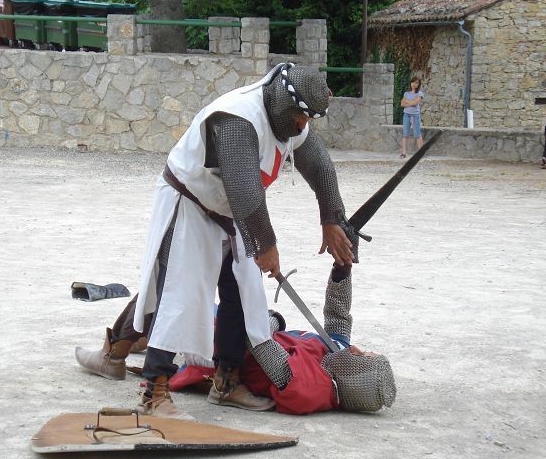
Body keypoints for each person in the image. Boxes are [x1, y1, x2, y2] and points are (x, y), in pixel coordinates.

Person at [76, 62, 357, 419]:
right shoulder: (238, 118)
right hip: (190, 202)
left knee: (244, 293)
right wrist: (266, 246)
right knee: (180, 293)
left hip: (231, 211)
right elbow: (245, 192)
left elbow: (320, 167)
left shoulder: (291, 119)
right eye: (301, 117)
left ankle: (225, 382)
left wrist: (331, 219)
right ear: (284, 103)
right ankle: (152, 391)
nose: (303, 125)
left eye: (308, 120)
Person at [169, 260, 396, 415]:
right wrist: (343, 265)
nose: (358, 349)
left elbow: (258, 342)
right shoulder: (337, 355)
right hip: (234, 326)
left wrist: (274, 320)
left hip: (219, 350)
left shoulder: (308, 386)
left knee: (175, 297)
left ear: (355, 368)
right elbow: (339, 316)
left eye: (364, 355)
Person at [400, 77, 424, 158]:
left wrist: (407, 101)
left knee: (417, 134)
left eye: (416, 83)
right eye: (413, 82)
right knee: (405, 134)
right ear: (410, 83)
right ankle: (404, 153)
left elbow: (415, 103)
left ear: (418, 84)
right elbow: (402, 104)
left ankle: (421, 153)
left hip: (415, 115)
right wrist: (411, 102)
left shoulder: (419, 93)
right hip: (406, 115)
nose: (414, 84)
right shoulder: (406, 93)